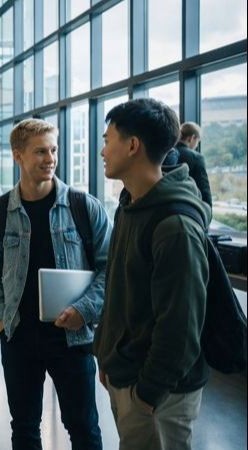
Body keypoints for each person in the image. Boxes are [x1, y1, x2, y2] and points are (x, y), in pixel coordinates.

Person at [0, 119, 111, 450]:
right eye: (40, 151)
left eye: (53, 150)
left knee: (84, 429)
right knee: (24, 428)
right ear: (18, 156)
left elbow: (111, 269)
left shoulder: (84, 206)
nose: (50, 158)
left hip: (72, 337)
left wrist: (85, 309)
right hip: (18, 335)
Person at [94, 99, 210, 450]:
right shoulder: (129, 206)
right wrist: (106, 354)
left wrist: (147, 393)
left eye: (107, 139)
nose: (102, 150)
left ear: (132, 146)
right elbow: (120, 291)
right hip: (126, 375)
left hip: (158, 395)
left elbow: (181, 326)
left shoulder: (174, 226)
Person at [162, 121, 212, 208]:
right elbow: (204, 191)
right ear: (191, 138)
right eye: (197, 141)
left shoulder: (165, 152)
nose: (197, 145)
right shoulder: (196, 158)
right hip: (188, 207)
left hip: (166, 205)